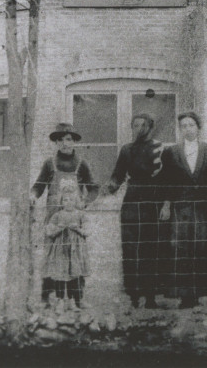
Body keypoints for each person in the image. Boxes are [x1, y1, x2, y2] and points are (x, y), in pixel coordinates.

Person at [31, 122, 97, 304]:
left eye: (68, 139)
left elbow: (93, 189)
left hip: (75, 219)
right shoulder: (49, 163)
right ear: (56, 143)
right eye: (60, 140)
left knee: (75, 255)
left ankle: (77, 297)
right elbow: (39, 186)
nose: (64, 143)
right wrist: (32, 196)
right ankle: (49, 297)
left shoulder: (82, 164)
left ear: (74, 141)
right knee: (52, 255)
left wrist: (84, 202)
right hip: (54, 218)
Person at [158, 112, 207, 309]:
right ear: (180, 129)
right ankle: (184, 296)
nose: (188, 129)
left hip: (201, 208)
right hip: (180, 208)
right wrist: (166, 205)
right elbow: (166, 182)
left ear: (198, 127)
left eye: (191, 125)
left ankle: (198, 294)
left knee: (200, 247)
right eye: (184, 126)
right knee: (181, 248)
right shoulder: (171, 152)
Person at [105, 113, 165, 309]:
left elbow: (167, 177)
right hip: (131, 202)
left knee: (151, 249)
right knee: (130, 249)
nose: (138, 128)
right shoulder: (127, 150)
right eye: (135, 125)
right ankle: (133, 296)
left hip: (152, 202)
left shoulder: (159, 148)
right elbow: (118, 175)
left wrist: (166, 203)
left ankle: (150, 297)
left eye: (142, 125)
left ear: (150, 127)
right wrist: (109, 187)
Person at [43, 184, 90, 308]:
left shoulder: (81, 215)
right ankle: (60, 300)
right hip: (61, 249)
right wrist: (59, 229)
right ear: (61, 201)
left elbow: (87, 231)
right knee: (60, 273)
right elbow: (49, 232)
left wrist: (77, 229)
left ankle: (76, 300)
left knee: (75, 273)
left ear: (76, 201)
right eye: (65, 199)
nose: (68, 202)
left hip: (76, 249)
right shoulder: (57, 215)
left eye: (71, 199)